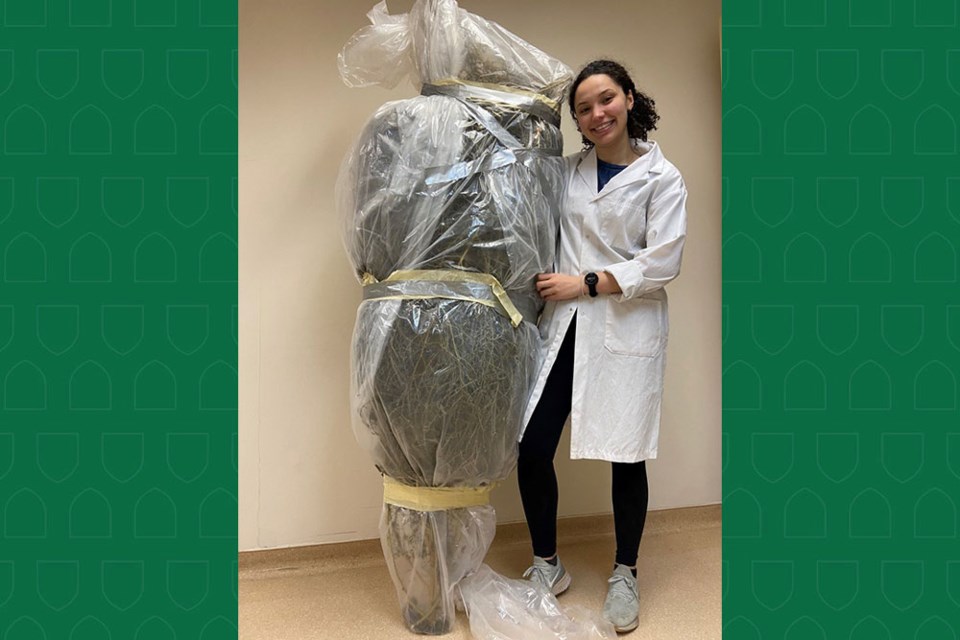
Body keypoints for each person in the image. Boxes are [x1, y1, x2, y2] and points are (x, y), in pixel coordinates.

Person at [517, 59, 687, 633]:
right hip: (563, 327)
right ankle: (547, 564)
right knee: (533, 445)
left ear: (630, 98)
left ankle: (625, 573)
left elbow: (662, 262)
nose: (596, 114)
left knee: (625, 452)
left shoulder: (663, 178)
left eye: (606, 99)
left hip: (623, 326)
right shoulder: (567, 173)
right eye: (584, 108)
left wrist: (587, 283)